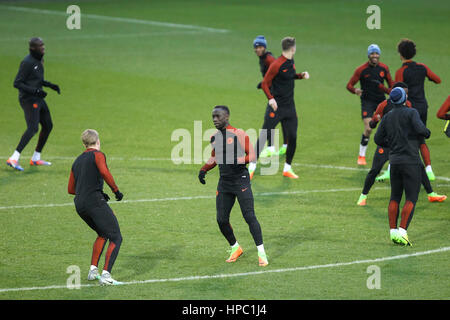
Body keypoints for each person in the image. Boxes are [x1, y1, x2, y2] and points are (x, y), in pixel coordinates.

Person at [198, 106, 268, 267]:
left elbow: (252, 155)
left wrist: (237, 160)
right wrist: (203, 169)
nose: (215, 119)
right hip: (224, 182)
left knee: (249, 216)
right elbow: (214, 158)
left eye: (218, 116)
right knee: (221, 219)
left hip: (240, 180)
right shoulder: (214, 138)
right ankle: (235, 248)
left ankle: (261, 252)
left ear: (227, 116)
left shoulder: (239, 134)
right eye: (213, 116)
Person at [357, 82, 446, 206]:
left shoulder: (408, 105)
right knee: (375, 170)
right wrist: (375, 121)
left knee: (419, 165)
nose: (406, 96)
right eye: (404, 93)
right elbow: (372, 125)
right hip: (387, 144)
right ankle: (363, 196)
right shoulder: (383, 105)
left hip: (403, 144)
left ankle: (431, 194)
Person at [374, 87, 431, 246]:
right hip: (411, 161)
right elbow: (421, 130)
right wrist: (427, 132)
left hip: (395, 161)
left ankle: (392, 231)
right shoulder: (411, 112)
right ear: (405, 98)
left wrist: (391, 143)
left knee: (395, 196)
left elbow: (378, 139)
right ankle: (403, 231)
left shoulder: (387, 117)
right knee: (411, 197)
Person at [68, 129, 125, 285]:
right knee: (116, 236)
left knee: (102, 232)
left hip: (80, 204)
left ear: (84, 143)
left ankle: (93, 271)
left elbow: (71, 189)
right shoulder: (98, 155)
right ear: (98, 141)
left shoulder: (77, 160)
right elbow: (104, 172)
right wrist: (116, 191)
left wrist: (91, 191)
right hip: (94, 201)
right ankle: (106, 276)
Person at [249, 37, 309, 179]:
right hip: (276, 108)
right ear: (293, 49)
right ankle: (251, 168)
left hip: (290, 107)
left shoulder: (290, 62)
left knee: (292, 137)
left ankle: (287, 169)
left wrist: (300, 76)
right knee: (264, 135)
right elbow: (264, 83)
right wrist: (271, 99)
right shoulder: (276, 64)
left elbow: (287, 76)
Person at [6, 37, 60, 171]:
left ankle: (35, 158)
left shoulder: (39, 60)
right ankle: (13, 158)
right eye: (40, 47)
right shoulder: (27, 62)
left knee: (48, 125)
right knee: (33, 128)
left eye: (43, 46)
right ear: (32, 49)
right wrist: (35, 91)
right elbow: (17, 83)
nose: (43, 49)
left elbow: (37, 79)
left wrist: (50, 85)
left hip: (38, 97)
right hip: (29, 100)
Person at [395, 38, 441, 180]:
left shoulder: (401, 71)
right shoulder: (422, 67)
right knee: (420, 140)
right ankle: (429, 170)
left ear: (400, 54)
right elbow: (437, 79)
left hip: (408, 108)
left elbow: (395, 91)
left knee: (401, 138)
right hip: (422, 107)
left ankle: (394, 170)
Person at [346, 44, 394, 166]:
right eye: (372, 53)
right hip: (367, 102)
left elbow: (391, 84)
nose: (375, 56)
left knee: (390, 129)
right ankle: (361, 156)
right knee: (368, 129)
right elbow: (349, 85)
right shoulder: (361, 70)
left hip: (381, 102)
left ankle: (391, 156)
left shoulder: (384, 68)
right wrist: (355, 90)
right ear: (368, 55)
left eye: (376, 53)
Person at [253, 35, 289, 158]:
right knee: (279, 120)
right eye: (256, 47)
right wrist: (263, 82)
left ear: (264, 47)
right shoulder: (263, 58)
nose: (257, 49)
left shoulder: (269, 59)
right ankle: (283, 147)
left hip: (277, 93)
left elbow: (279, 71)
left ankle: (271, 148)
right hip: (274, 91)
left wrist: (269, 84)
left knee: (270, 120)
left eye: (260, 47)